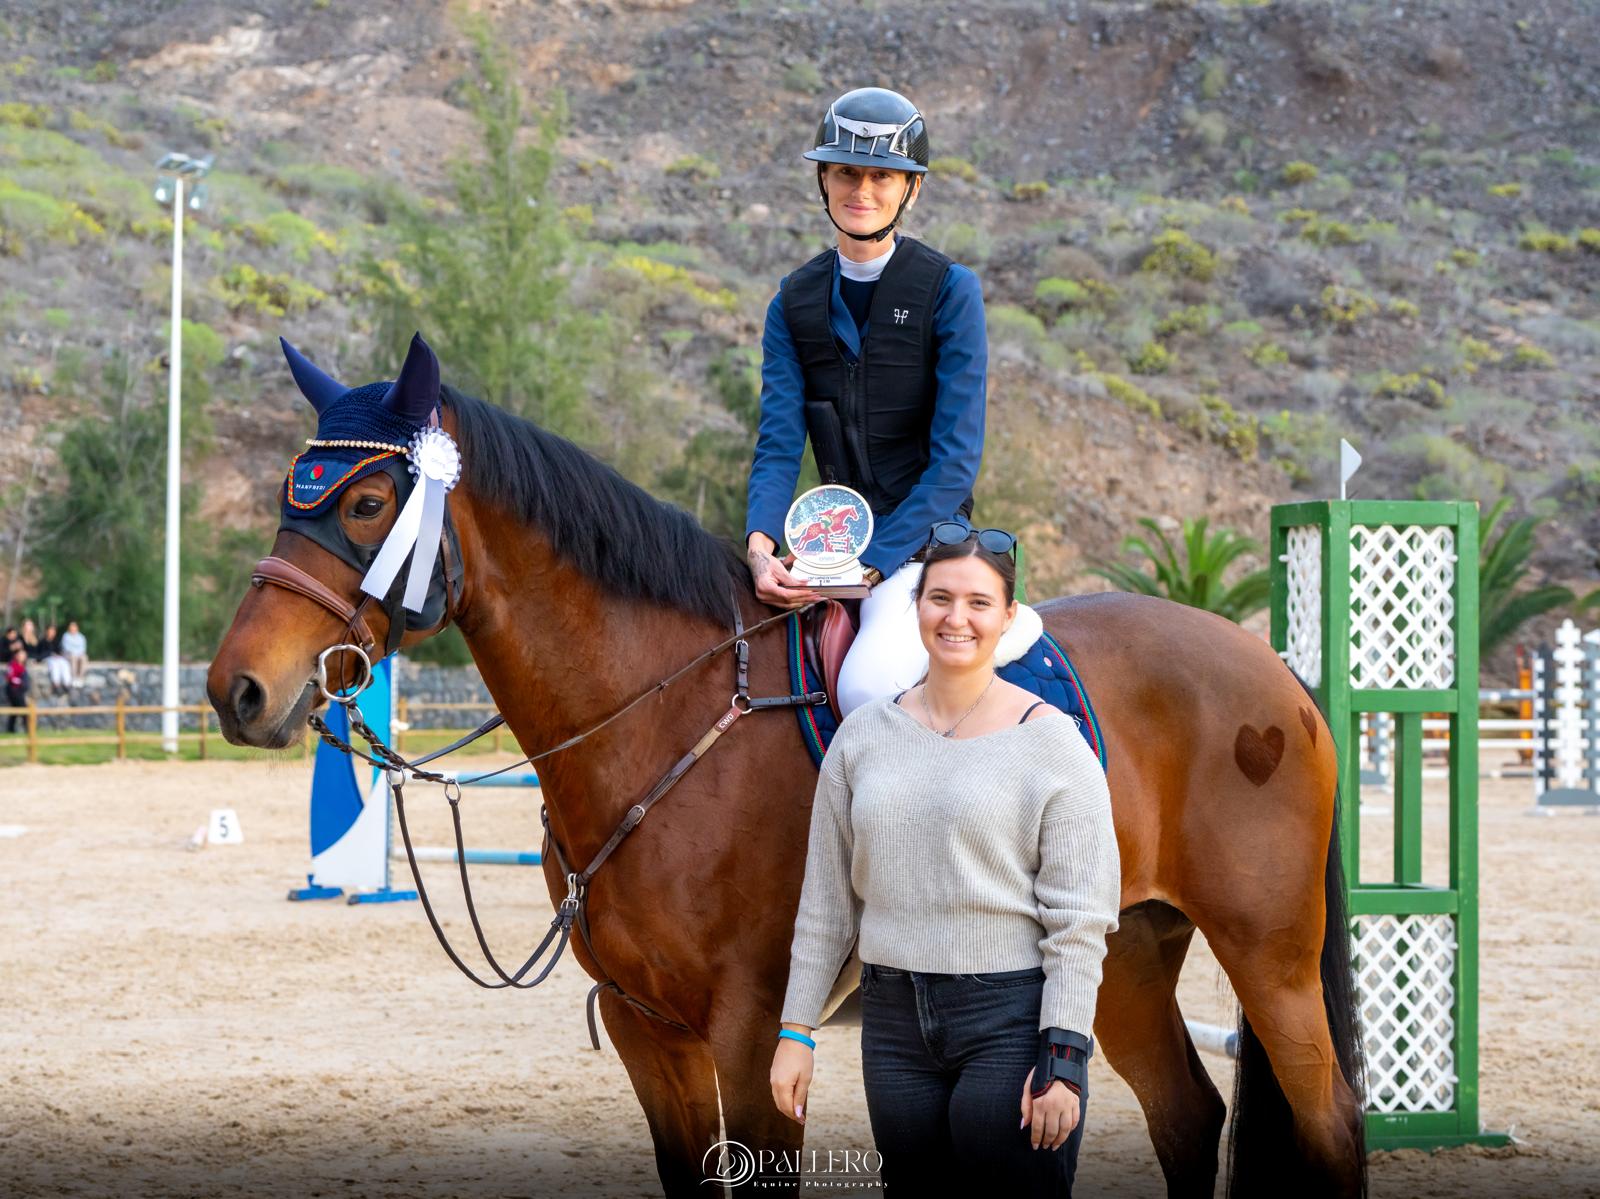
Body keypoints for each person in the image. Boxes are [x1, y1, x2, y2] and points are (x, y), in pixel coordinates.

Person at [769, 529, 1122, 1196]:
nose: (957, 617)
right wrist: (798, 1029)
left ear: (1008, 617)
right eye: (940, 598)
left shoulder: (1054, 744)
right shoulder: (862, 736)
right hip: (893, 1027)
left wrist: (1065, 1056)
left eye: (979, 602)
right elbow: (827, 904)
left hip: (1009, 1020)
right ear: (916, 607)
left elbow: (1080, 918)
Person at [743, 86, 988, 716]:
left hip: (924, 549)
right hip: (829, 546)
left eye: (883, 176)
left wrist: (870, 565)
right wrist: (761, 548)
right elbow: (778, 445)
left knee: (865, 687)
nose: (863, 190)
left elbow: (954, 466)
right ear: (823, 180)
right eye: (846, 173)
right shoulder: (792, 302)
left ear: (912, 189)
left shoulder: (950, 291)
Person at [41, 622, 71, 695]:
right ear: (47, 631)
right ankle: (56, 684)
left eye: (53, 631)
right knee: (54, 664)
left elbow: (60, 651)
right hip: (47, 658)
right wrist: (50, 654)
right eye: (50, 630)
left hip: (58, 658)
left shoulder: (57, 641)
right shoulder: (42, 641)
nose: (52, 632)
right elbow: (41, 653)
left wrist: (58, 655)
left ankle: (67, 684)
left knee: (65, 663)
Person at [5, 646, 28, 733]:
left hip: (19, 690)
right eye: (21, 654)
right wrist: (20, 682)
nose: (23, 656)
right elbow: (9, 677)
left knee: (14, 710)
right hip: (14, 690)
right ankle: (28, 728)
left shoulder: (22, 665)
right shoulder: (13, 665)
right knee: (24, 709)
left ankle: (10, 729)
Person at [60, 620, 88, 688]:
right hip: (68, 654)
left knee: (84, 657)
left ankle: (80, 677)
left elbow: (83, 648)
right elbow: (66, 648)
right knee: (73, 657)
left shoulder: (81, 637)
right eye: (71, 627)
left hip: (79, 654)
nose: (72, 628)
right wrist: (75, 652)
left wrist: (78, 653)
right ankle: (74, 677)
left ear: (77, 628)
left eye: (74, 627)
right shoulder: (66, 636)